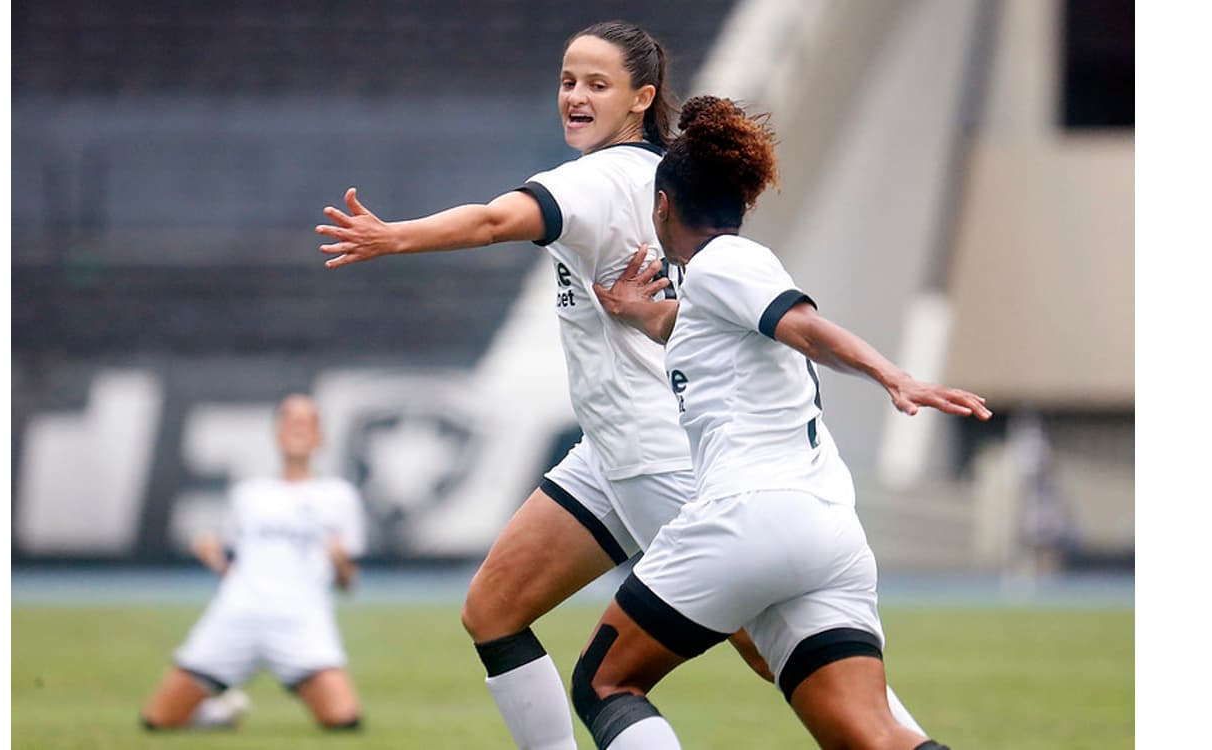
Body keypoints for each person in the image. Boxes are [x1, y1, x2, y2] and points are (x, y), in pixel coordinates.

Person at [313, 21, 804, 750]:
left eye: (596, 84)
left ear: (642, 97)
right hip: (612, 454)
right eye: (568, 81)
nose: (574, 96)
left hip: (661, 458)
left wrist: (395, 237)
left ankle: (894, 734)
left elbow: (490, 222)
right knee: (494, 609)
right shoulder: (672, 175)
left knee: (779, 653)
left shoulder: (592, 179)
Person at [572, 95, 992, 749]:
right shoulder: (712, 291)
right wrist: (636, 311)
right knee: (873, 736)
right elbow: (692, 328)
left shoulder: (727, 262)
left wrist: (893, 374)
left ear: (662, 207)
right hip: (826, 531)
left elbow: (805, 327)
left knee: (605, 681)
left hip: (749, 514)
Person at [140, 394, 368, 732]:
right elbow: (239, 568)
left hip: (301, 621)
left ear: (321, 437)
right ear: (276, 432)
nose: (298, 428)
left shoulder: (339, 497)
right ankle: (215, 716)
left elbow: (348, 583)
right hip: (237, 615)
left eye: (308, 422)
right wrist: (214, 557)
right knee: (158, 720)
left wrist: (339, 563)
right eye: (291, 420)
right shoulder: (249, 495)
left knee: (343, 720)